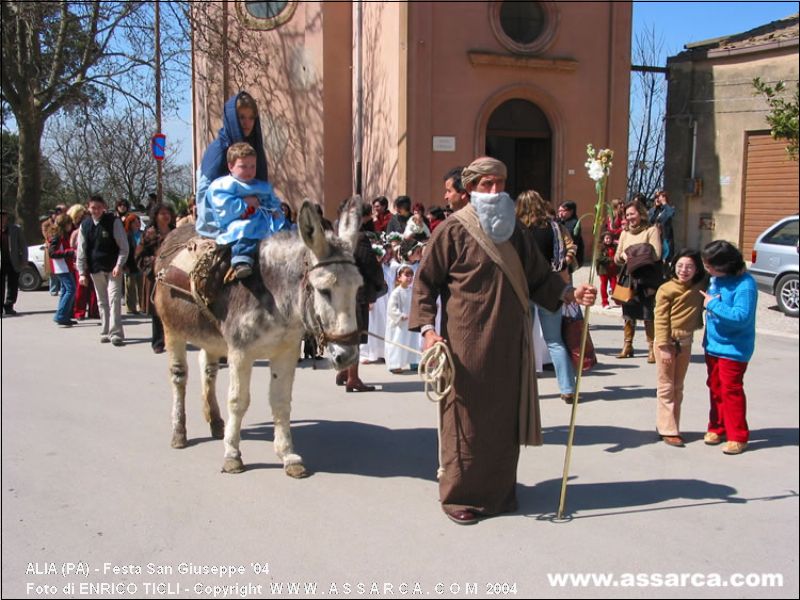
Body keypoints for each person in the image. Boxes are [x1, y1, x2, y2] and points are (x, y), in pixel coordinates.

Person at [409, 157, 596, 525]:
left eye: (500, 183)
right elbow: (426, 283)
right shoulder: (451, 230)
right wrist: (429, 330)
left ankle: (499, 491)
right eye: (486, 185)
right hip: (466, 344)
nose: (495, 191)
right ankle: (460, 494)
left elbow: (541, 277)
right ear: (471, 189)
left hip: (511, 343)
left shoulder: (516, 231)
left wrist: (572, 294)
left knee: (502, 419)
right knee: (465, 419)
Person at [515, 189, 579, 404]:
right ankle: (568, 388)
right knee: (555, 341)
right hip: (550, 287)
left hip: (524, 289)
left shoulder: (517, 229)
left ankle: (523, 389)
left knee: (523, 343)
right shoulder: (554, 227)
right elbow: (564, 255)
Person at [700, 240, 757, 455]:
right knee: (715, 387)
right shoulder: (716, 279)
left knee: (731, 390)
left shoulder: (745, 284)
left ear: (724, 265)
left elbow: (741, 316)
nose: (707, 269)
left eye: (710, 265)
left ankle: (738, 436)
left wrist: (712, 304)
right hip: (712, 344)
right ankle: (717, 427)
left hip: (734, 348)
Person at [196, 142, 284, 279]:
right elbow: (223, 204)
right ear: (231, 166)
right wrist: (244, 203)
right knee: (244, 230)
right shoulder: (224, 185)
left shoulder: (261, 185)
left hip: (262, 218)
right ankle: (242, 259)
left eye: (252, 167)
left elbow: (271, 199)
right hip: (238, 220)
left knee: (284, 225)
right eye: (243, 166)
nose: (249, 171)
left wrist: (274, 209)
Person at [653, 249, 707, 447]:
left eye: (690, 266)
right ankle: (668, 430)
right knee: (666, 386)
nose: (684, 270)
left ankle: (670, 424)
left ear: (697, 269)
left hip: (686, 342)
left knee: (678, 386)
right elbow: (660, 320)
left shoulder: (699, 285)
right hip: (667, 343)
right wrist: (664, 346)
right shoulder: (666, 289)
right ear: (674, 267)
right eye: (680, 266)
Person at [335, 200, 387, 392]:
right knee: (355, 335)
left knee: (344, 333)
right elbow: (369, 265)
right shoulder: (359, 237)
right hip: (357, 291)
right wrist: (380, 282)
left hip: (339, 291)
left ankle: (343, 370)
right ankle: (353, 377)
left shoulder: (337, 232)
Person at [196, 91, 269, 208]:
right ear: (232, 118)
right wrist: (241, 204)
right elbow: (204, 199)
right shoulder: (219, 150)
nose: (247, 123)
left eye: (251, 118)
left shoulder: (254, 148)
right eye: (241, 117)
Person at [76, 194, 129, 346]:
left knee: (114, 299)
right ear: (88, 208)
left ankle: (116, 333)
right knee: (102, 301)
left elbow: (124, 247)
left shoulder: (114, 222)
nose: (96, 210)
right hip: (95, 268)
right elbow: (81, 250)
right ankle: (105, 330)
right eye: (93, 208)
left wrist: (119, 265)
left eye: (99, 207)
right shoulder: (85, 225)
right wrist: (81, 272)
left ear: (104, 207)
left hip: (113, 268)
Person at [614, 199, 662, 362]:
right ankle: (627, 345)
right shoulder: (624, 233)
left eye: (632, 213)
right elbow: (616, 257)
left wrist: (634, 254)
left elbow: (656, 254)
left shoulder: (651, 230)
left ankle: (651, 348)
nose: (629, 217)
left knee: (648, 312)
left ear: (641, 214)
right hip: (628, 276)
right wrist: (623, 255)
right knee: (628, 312)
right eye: (627, 215)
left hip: (646, 277)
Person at [136, 203, 176, 354]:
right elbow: (139, 255)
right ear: (156, 216)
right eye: (162, 213)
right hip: (156, 276)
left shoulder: (175, 232)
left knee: (173, 310)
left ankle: (173, 341)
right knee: (157, 311)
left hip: (173, 276)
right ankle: (158, 342)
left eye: (168, 213)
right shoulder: (150, 233)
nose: (166, 216)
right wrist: (155, 261)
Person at [385, 265, 419, 374]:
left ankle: (413, 362)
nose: (409, 278)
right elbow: (391, 308)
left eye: (411, 276)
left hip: (409, 322)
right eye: (406, 275)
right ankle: (395, 365)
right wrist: (400, 316)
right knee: (398, 343)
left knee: (412, 342)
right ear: (399, 277)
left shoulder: (412, 291)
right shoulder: (396, 292)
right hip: (399, 325)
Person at [67, 204, 99, 320]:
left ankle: (94, 311)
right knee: (81, 289)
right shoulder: (76, 232)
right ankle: (79, 312)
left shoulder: (95, 230)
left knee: (94, 290)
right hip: (81, 262)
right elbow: (73, 247)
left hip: (93, 262)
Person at [46, 213, 77, 327]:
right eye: (69, 223)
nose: (71, 225)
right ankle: (61, 315)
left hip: (64, 266)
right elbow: (52, 253)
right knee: (71, 289)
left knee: (65, 291)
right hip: (61, 267)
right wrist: (70, 252)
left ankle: (64, 315)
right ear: (65, 224)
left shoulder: (61, 235)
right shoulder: (56, 236)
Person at [1, 209, 28, 316]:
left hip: (12, 261)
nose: (2, 218)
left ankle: (9, 306)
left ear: (7, 218)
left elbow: (23, 246)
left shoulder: (15, 229)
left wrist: (24, 261)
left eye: (3, 216)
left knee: (13, 285)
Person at [649, 190, 676, 263]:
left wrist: (664, 203)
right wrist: (656, 208)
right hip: (653, 238)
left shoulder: (669, 209)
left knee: (665, 261)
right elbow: (649, 221)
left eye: (659, 197)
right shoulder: (652, 211)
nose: (657, 199)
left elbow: (671, 214)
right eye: (656, 197)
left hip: (665, 240)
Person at [557, 200, 585, 267]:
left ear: (571, 211)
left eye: (563, 211)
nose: (560, 213)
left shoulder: (573, 223)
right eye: (559, 211)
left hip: (570, 256)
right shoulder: (561, 221)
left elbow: (570, 238)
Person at [596, 230, 618, 308]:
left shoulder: (614, 247)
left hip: (613, 270)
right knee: (604, 286)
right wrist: (611, 259)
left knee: (615, 285)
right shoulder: (600, 248)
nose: (608, 240)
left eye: (610, 238)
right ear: (603, 239)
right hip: (603, 270)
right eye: (606, 238)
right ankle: (605, 302)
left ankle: (617, 300)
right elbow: (599, 258)